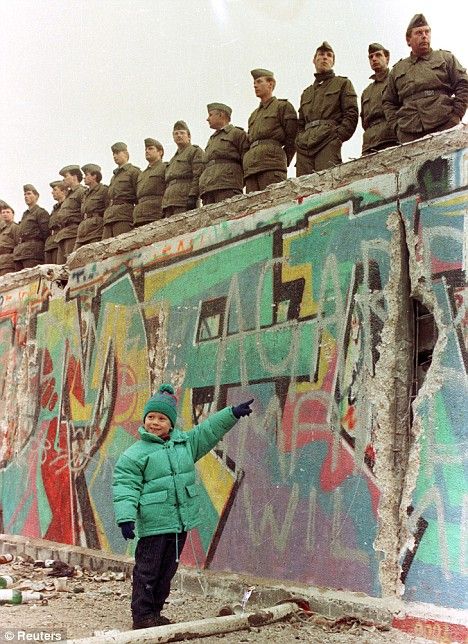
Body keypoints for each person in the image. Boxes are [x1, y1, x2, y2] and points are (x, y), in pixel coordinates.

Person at [113, 383, 254, 630]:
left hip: (179, 523)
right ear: (144, 420)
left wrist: (230, 413)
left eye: (161, 418)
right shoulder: (134, 455)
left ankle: (154, 613)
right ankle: (142, 616)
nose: (155, 423)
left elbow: (208, 431)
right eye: (150, 417)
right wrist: (126, 518)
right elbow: (125, 486)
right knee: (148, 571)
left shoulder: (185, 444)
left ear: (171, 423)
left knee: (167, 571)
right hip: (154, 523)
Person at [383, 14, 468, 143]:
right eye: (418, 33)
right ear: (408, 39)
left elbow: (463, 84)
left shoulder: (445, 58)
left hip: (444, 123)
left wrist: (456, 116)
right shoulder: (397, 70)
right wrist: (397, 128)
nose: (424, 36)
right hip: (409, 131)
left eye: (427, 32)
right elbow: (388, 101)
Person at [296, 42, 358, 175]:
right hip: (304, 148)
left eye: (329, 55)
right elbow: (300, 123)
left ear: (333, 62)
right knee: (303, 192)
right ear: (314, 60)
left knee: (326, 186)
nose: (325, 58)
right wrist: (299, 140)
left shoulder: (342, 84)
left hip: (327, 141)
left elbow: (351, 113)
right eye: (321, 54)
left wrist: (337, 138)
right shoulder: (306, 92)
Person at [243, 69, 297, 193]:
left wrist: (281, 160)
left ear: (270, 84)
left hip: (272, 165)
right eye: (254, 83)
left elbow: (293, 136)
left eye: (259, 81)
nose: (255, 85)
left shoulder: (282, 106)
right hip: (252, 168)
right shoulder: (253, 115)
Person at [199, 103, 249, 204]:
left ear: (221, 115)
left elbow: (247, 160)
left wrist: (238, 182)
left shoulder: (237, 133)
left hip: (228, 185)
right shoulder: (212, 139)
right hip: (208, 187)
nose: (207, 119)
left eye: (210, 115)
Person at [360, 43, 398, 154]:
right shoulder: (366, 92)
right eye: (371, 57)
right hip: (369, 144)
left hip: (391, 138)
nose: (374, 59)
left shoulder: (395, 80)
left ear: (387, 58)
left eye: (378, 55)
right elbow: (364, 122)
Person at [162, 121, 204, 217]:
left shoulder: (194, 151)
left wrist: (193, 196)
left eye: (182, 133)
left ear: (189, 136)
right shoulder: (172, 160)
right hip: (169, 203)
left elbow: (198, 175)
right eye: (176, 134)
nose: (179, 136)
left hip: (184, 201)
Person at [103, 142, 140, 239]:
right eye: (113, 154)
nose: (115, 156)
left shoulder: (133, 172)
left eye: (117, 153)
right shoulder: (114, 176)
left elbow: (138, 194)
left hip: (124, 215)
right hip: (110, 217)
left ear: (126, 154)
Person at [13, 184, 49, 271]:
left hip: (33, 253)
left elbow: (46, 233)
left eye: (29, 194)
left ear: (36, 196)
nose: (26, 196)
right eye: (25, 194)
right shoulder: (25, 215)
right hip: (21, 253)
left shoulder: (40, 212)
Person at [55, 166, 86, 263]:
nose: (64, 179)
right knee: (61, 269)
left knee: (72, 265)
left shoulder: (82, 191)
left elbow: (85, 211)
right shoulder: (68, 195)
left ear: (74, 177)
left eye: (66, 176)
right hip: (63, 234)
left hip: (73, 232)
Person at [133, 139, 167, 227]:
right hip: (140, 216)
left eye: (150, 148)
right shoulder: (142, 174)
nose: (147, 151)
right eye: (146, 149)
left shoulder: (165, 167)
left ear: (160, 152)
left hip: (156, 213)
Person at [74, 164, 108, 250]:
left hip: (96, 230)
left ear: (94, 176)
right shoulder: (85, 194)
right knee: (74, 257)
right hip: (83, 230)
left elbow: (108, 209)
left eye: (86, 175)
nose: (84, 178)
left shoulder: (103, 190)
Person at [45, 180, 68, 264]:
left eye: (55, 190)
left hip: (60, 239)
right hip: (51, 242)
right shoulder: (55, 208)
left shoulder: (66, 205)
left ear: (63, 191)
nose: (52, 192)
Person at [0, 205, 18, 277]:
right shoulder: (2, 230)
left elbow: (18, 244)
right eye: (3, 212)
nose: (5, 214)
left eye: (8, 212)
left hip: (9, 262)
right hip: (1, 261)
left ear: (13, 214)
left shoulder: (15, 227)